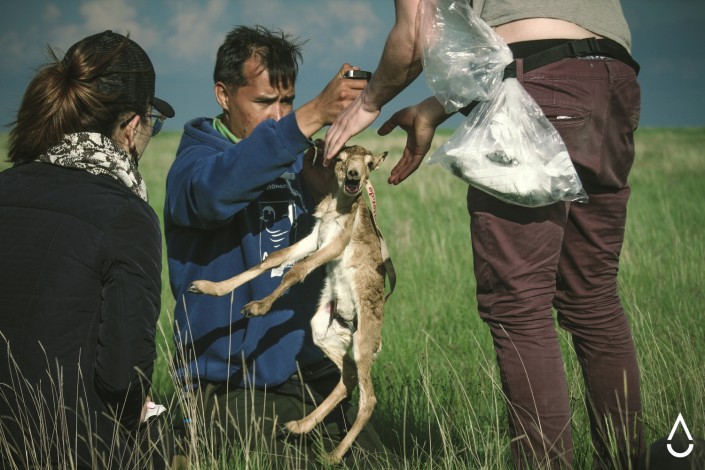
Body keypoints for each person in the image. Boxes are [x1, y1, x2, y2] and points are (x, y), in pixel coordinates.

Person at [325, 1, 643, 468]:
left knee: (519, 304)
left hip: (536, 86)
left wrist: (368, 103)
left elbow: (415, 34)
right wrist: (433, 109)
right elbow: (544, 41)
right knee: (593, 298)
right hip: (612, 80)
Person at [164, 25, 389, 466]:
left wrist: (322, 194)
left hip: (309, 375)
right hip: (229, 385)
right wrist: (310, 115)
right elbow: (215, 194)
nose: (278, 116)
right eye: (264, 101)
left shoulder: (293, 160)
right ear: (223, 95)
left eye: (287, 101)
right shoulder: (194, 163)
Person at [0, 31, 175, 469]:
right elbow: (124, 377)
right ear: (132, 125)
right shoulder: (127, 217)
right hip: (70, 448)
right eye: (152, 121)